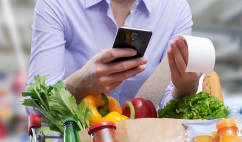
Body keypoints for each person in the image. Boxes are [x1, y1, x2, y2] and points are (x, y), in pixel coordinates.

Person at [28, 0, 200, 108]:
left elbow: (165, 103)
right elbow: (35, 104)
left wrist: (184, 89)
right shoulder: (56, 4)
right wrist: (79, 84)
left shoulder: (175, 9)